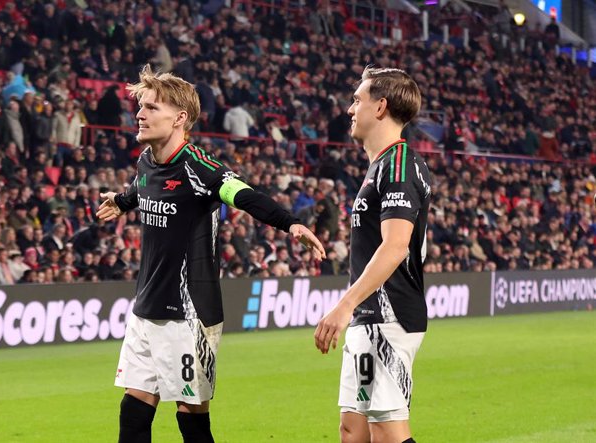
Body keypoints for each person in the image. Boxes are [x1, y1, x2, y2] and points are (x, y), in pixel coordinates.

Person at [97, 64, 326, 443]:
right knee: (133, 410)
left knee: (191, 419)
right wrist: (121, 202)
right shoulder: (146, 162)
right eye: (141, 106)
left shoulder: (200, 168)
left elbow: (243, 194)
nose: (140, 113)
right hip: (145, 309)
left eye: (152, 107)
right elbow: (142, 187)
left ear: (180, 118)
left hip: (188, 315)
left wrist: (289, 223)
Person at [314, 67, 431, 443]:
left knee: (387, 432)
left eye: (357, 99)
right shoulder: (382, 165)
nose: (351, 109)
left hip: (387, 313)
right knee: (353, 429)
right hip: (372, 315)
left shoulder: (398, 164)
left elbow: (396, 245)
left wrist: (345, 305)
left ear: (380, 107)